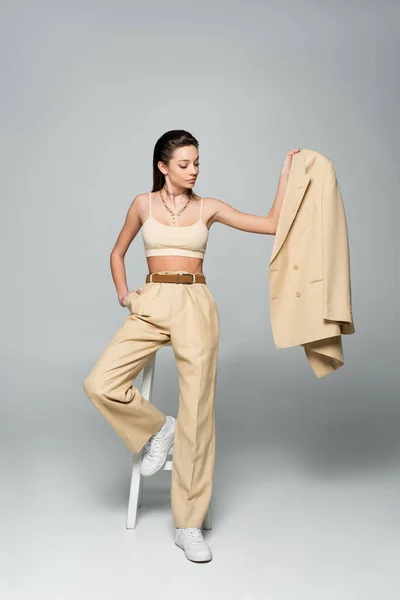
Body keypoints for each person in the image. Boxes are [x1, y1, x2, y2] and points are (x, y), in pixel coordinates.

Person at [83, 129, 299, 563]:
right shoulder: (142, 204)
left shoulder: (208, 207)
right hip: (152, 299)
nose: (193, 170)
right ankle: (159, 428)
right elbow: (116, 252)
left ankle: (189, 525)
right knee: (100, 382)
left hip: (195, 302)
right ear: (163, 167)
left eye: (197, 162)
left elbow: (272, 225)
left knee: (198, 412)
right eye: (184, 164)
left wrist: (286, 176)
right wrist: (126, 295)